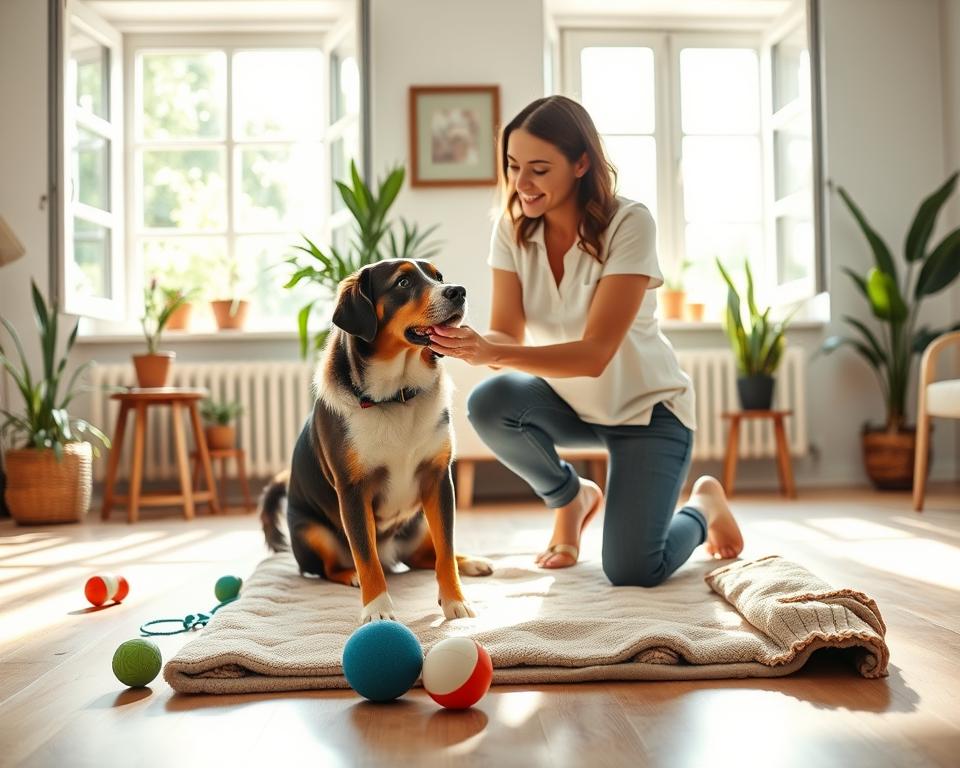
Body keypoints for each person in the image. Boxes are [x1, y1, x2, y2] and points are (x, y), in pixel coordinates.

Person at [426, 95, 744, 587]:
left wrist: (493, 351)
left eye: (538, 169)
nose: (521, 184)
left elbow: (596, 354)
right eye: (512, 166)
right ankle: (570, 497)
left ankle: (703, 504)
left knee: (634, 570)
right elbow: (506, 333)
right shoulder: (511, 231)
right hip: (569, 405)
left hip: (648, 412)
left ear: (581, 164)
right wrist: (468, 342)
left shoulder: (629, 223)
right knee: (489, 403)